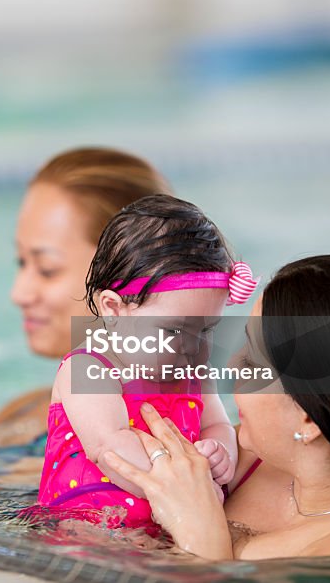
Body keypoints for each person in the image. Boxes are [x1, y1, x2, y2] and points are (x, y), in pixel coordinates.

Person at [102, 255, 330, 558]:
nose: (231, 365)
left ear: (308, 415)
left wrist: (200, 538)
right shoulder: (240, 459)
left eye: (252, 361)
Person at [33, 195, 257, 529]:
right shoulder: (88, 367)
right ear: (114, 309)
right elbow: (109, 446)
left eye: (207, 330)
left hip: (170, 520)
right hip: (83, 525)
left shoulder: (192, 367)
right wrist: (189, 492)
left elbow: (217, 425)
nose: (192, 348)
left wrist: (220, 453)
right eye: (173, 330)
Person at [0, 147, 172, 447]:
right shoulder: (24, 408)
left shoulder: (147, 439)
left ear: (132, 277)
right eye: (21, 262)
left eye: (47, 269)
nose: (19, 294)